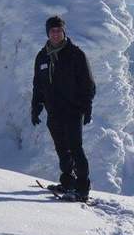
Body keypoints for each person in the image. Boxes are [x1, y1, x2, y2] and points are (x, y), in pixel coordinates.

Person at [31, 15, 96, 202]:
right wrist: (36, 107)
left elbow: (88, 83)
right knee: (61, 149)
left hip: (73, 110)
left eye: (59, 30)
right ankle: (68, 182)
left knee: (76, 148)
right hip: (54, 111)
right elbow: (38, 85)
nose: (56, 34)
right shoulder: (42, 56)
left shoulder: (75, 54)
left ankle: (82, 188)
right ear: (47, 33)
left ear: (64, 32)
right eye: (52, 30)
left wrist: (87, 107)